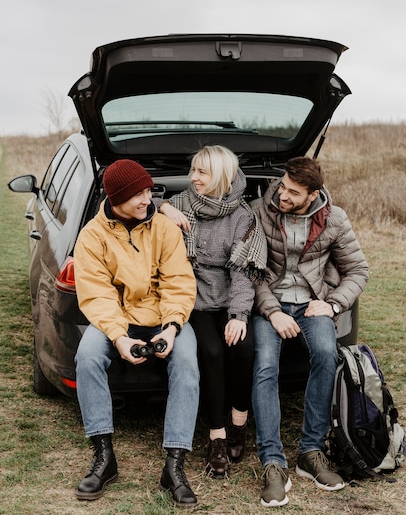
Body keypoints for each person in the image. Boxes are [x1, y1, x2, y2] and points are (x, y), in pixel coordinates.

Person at [73, 159, 200, 506]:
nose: (148, 199)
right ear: (115, 198)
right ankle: (103, 458)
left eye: (148, 191)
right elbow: (96, 294)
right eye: (139, 194)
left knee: (188, 362)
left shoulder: (164, 228)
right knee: (86, 358)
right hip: (117, 318)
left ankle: (174, 466)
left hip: (163, 317)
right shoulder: (91, 237)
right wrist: (119, 336)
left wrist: (173, 328)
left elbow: (178, 283)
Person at [251, 156, 369, 507]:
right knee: (265, 365)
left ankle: (310, 452)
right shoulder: (259, 210)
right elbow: (250, 270)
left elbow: (358, 271)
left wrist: (332, 305)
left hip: (312, 303)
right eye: (283, 186)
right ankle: (272, 461)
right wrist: (271, 311)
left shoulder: (334, 218)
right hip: (269, 303)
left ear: (313, 194)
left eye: (293, 192)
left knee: (325, 354)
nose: (283, 195)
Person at [157, 145, 267, 478]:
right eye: (193, 171)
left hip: (230, 296)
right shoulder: (180, 204)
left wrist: (238, 316)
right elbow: (140, 204)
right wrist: (163, 207)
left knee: (243, 346)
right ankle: (217, 437)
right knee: (212, 350)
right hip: (194, 299)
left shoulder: (243, 216)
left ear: (220, 175)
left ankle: (238, 422)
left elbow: (243, 273)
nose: (193, 178)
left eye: (201, 172)